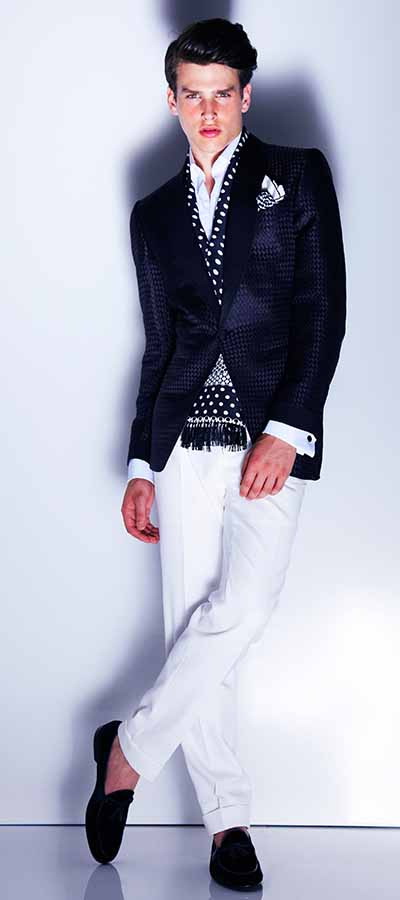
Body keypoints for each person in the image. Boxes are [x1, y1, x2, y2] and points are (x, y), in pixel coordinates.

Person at [85, 17, 346, 889]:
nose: (208, 111)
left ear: (245, 96)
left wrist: (288, 428)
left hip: (269, 431)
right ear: (172, 100)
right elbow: (159, 344)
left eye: (222, 94)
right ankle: (227, 822)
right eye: (192, 95)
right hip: (181, 441)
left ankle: (126, 753)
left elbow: (323, 312)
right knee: (192, 626)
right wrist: (140, 465)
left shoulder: (296, 178)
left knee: (243, 607)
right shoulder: (152, 215)